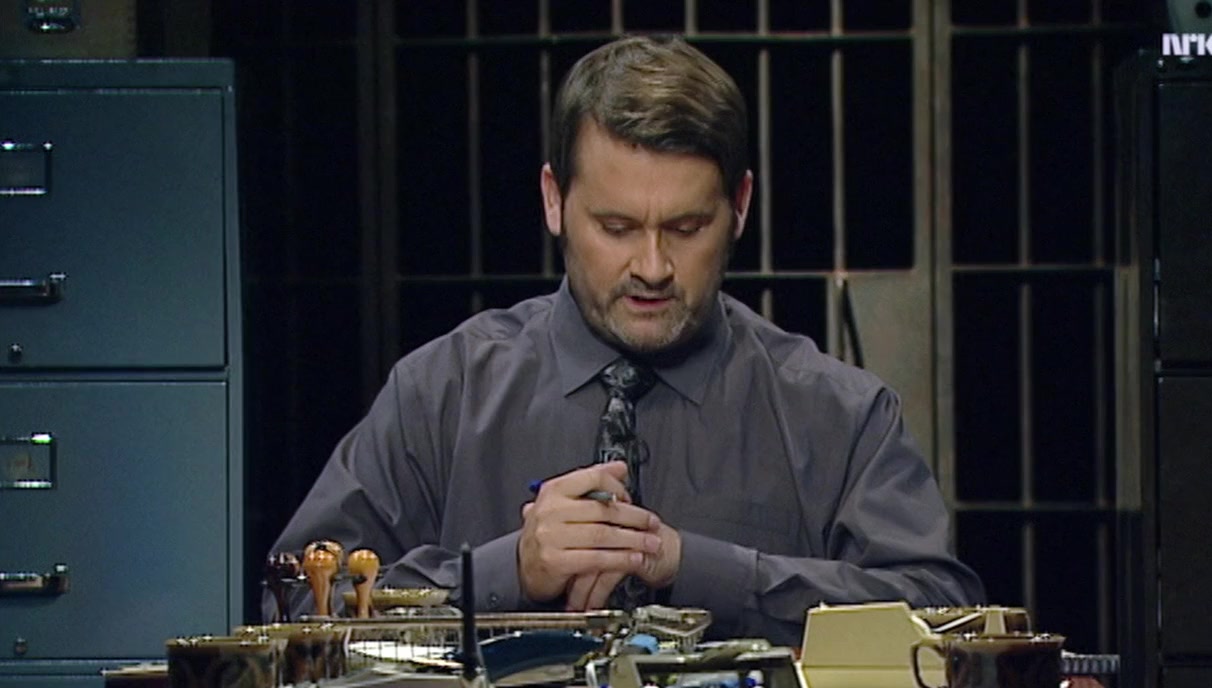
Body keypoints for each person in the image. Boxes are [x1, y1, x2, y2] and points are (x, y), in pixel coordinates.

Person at [266, 34, 984, 647]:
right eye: (616, 228)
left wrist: (701, 571)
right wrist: (504, 574)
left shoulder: (839, 415)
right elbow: (293, 604)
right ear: (554, 200)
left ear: (739, 206)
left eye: (685, 228)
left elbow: (943, 620)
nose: (652, 266)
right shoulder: (441, 394)